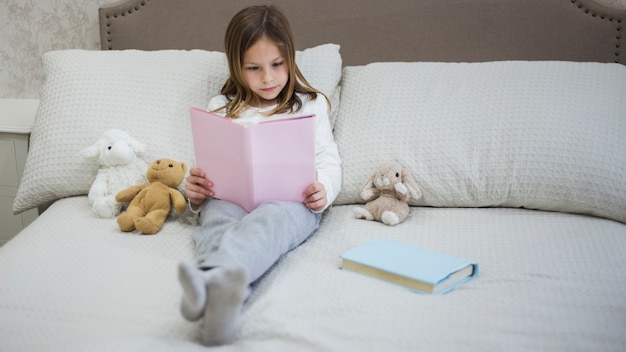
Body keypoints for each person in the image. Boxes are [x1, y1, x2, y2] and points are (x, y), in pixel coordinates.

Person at [177, 5, 342, 346]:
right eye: (254, 68)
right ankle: (220, 303)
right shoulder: (220, 106)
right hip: (230, 200)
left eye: (277, 65)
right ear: (236, 67)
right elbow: (206, 166)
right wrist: (194, 192)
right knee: (218, 222)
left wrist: (324, 188)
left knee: (271, 219)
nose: (268, 78)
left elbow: (329, 159)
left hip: (291, 203)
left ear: (291, 59)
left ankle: (210, 282)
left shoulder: (310, 105)